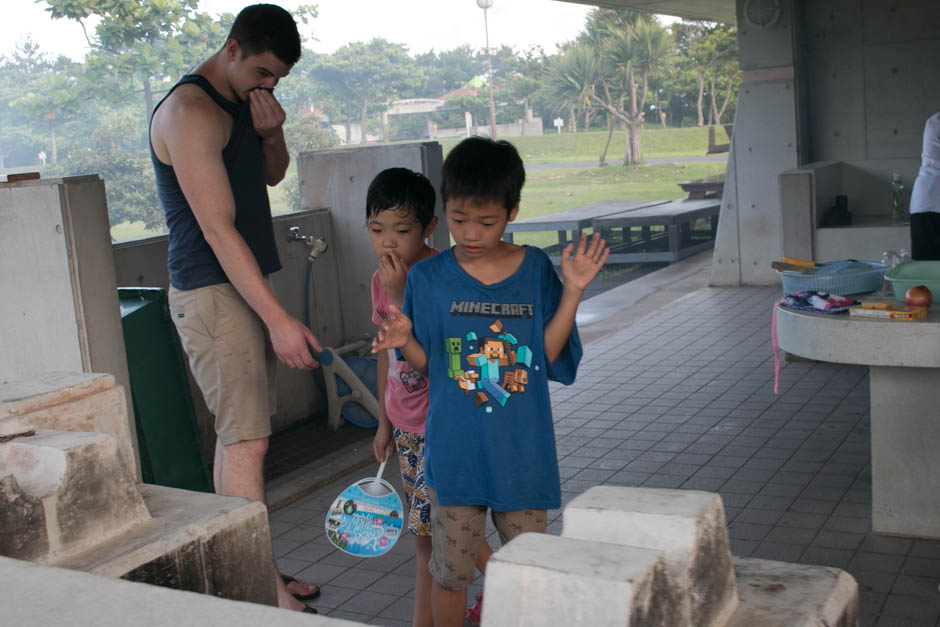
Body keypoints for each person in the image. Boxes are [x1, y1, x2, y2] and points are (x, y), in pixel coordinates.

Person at [372, 137, 609, 627]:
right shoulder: (429, 278)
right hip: (454, 457)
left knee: (528, 576)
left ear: (513, 210)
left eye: (487, 221)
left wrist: (573, 292)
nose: (471, 233)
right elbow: (429, 366)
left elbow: (545, 355)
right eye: (459, 220)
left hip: (523, 456)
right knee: (450, 575)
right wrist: (403, 338)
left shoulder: (535, 269)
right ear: (445, 211)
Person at [149, 3, 321, 613]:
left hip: (241, 285)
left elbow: (272, 177)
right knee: (246, 443)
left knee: (241, 442)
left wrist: (272, 130)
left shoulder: (242, 103)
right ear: (231, 49)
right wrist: (278, 318)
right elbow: (219, 229)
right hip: (211, 290)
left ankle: (250, 570)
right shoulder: (189, 111)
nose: (268, 86)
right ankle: (261, 592)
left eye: (278, 78)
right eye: (263, 73)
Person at [366, 167, 494, 627]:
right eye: (377, 229)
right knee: (424, 537)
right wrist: (383, 422)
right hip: (407, 428)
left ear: (428, 228)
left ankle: (516, 589)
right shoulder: (380, 280)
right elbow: (385, 352)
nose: (388, 242)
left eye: (402, 231)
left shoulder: (443, 275)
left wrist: (404, 295)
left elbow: (443, 355)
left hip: (443, 424)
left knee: (450, 531)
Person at [910, 112, 940, 260]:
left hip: (925, 199)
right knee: (926, 269)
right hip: (930, 199)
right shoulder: (936, 121)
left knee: (926, 268)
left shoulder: (934, 121)